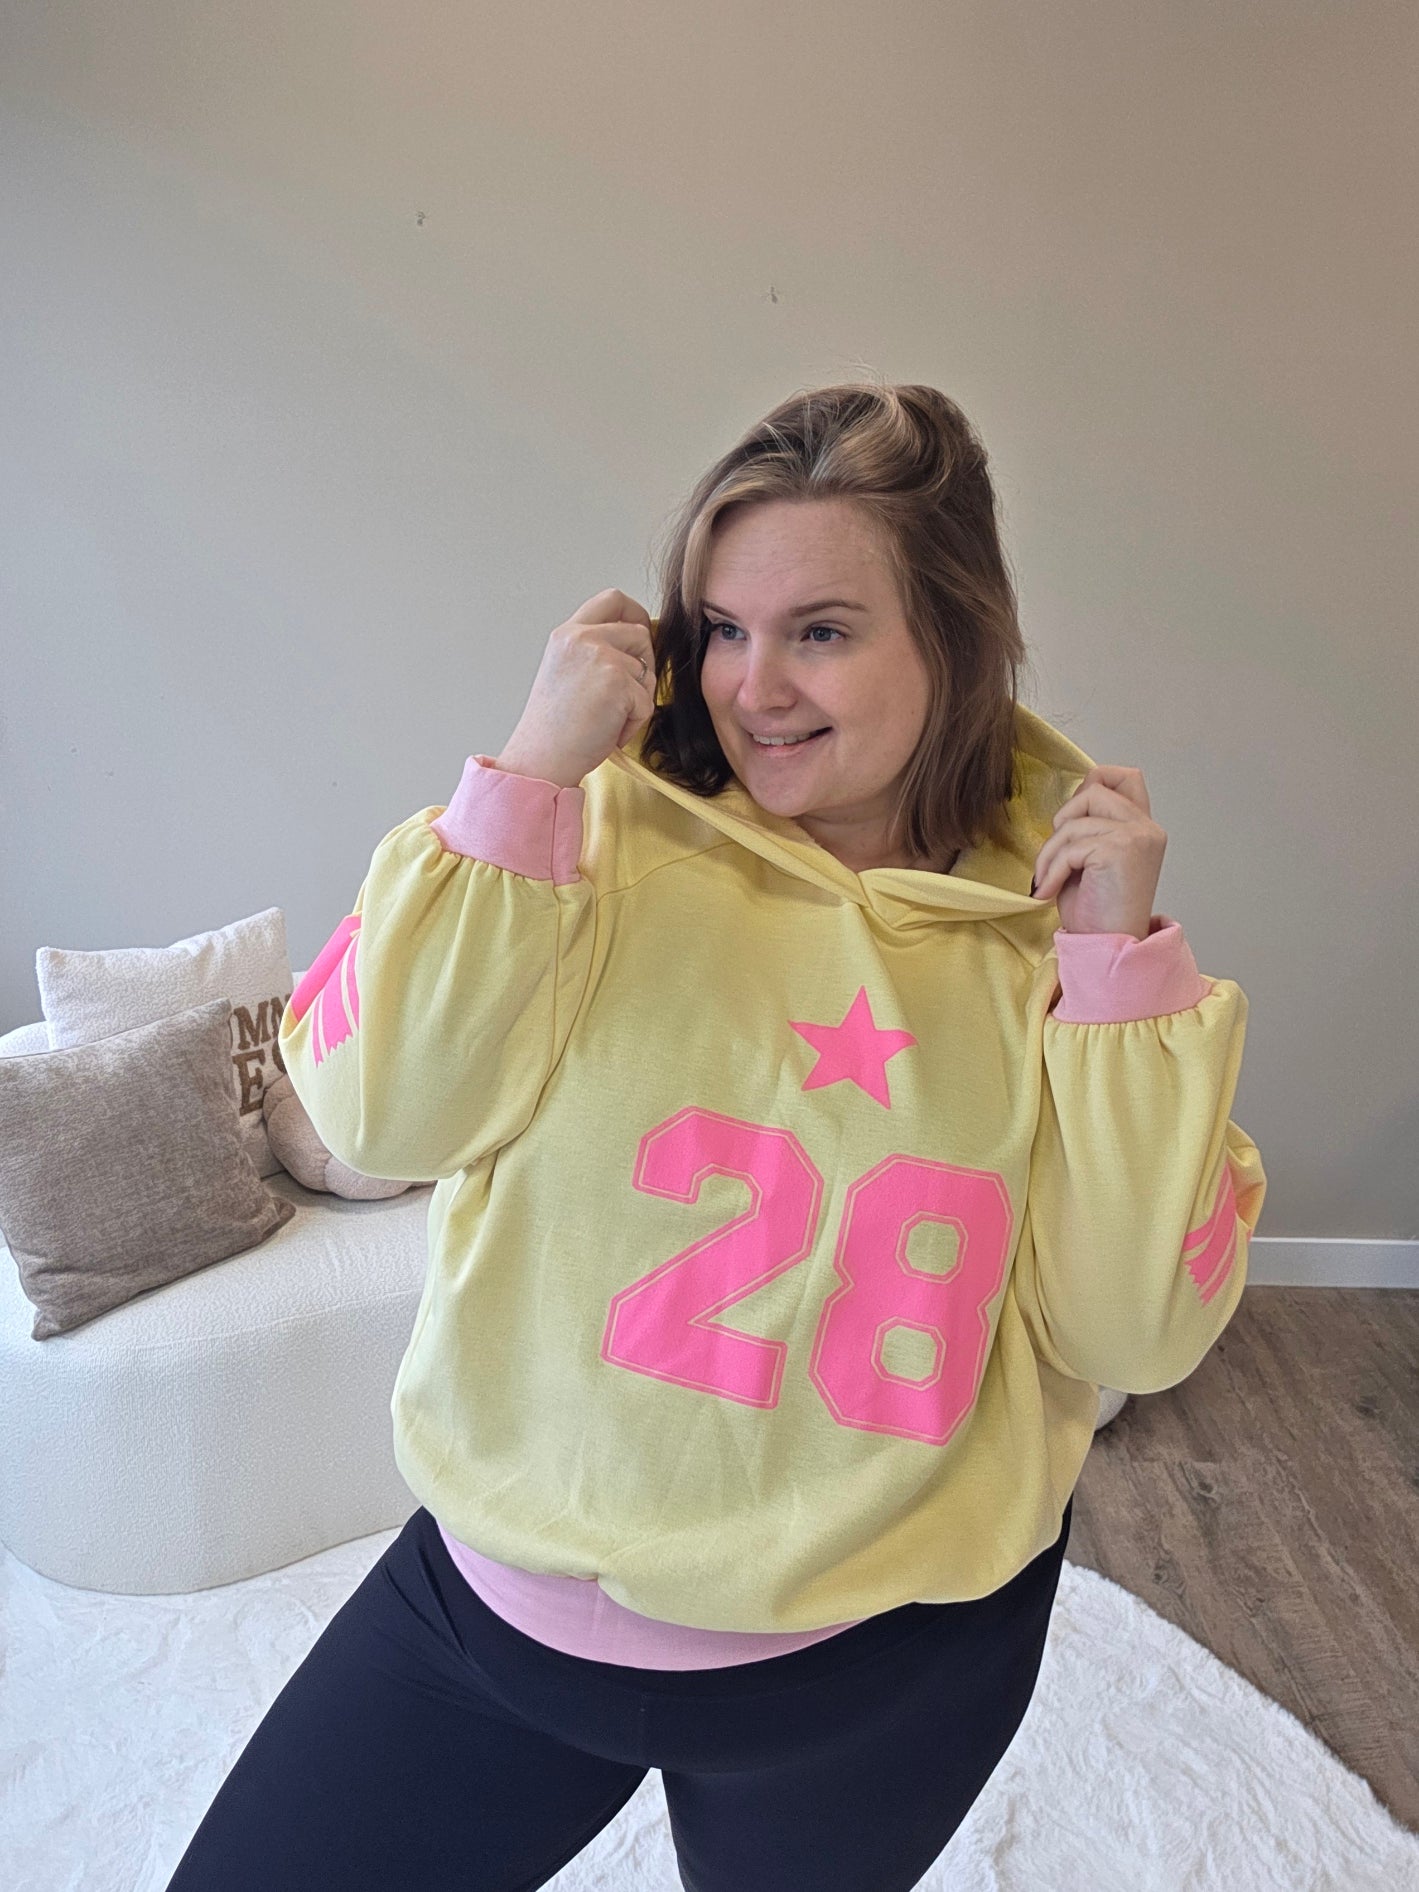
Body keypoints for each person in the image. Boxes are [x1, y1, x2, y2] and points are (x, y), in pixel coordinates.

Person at [164, 380, 1266, 1892]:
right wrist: (523, 780)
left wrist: (1118, 973)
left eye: (823, 630)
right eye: (725, 629)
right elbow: (380, 1114)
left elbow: (1132, 1331)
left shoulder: (1068, 937)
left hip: (879, 1673)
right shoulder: (583, 835)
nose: (755, 689)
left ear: (954, 637)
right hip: (498, 1617)